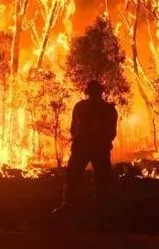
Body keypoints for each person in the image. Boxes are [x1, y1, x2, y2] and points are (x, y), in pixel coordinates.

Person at [56, 80, 117, 227]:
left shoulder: (82, 107)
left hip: (86, 148)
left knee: (75, 180)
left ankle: (71, 210)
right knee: (97, 183)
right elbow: (111, 132)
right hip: (94, 149)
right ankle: (98, 217)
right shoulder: (108, 109)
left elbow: (74, 128)